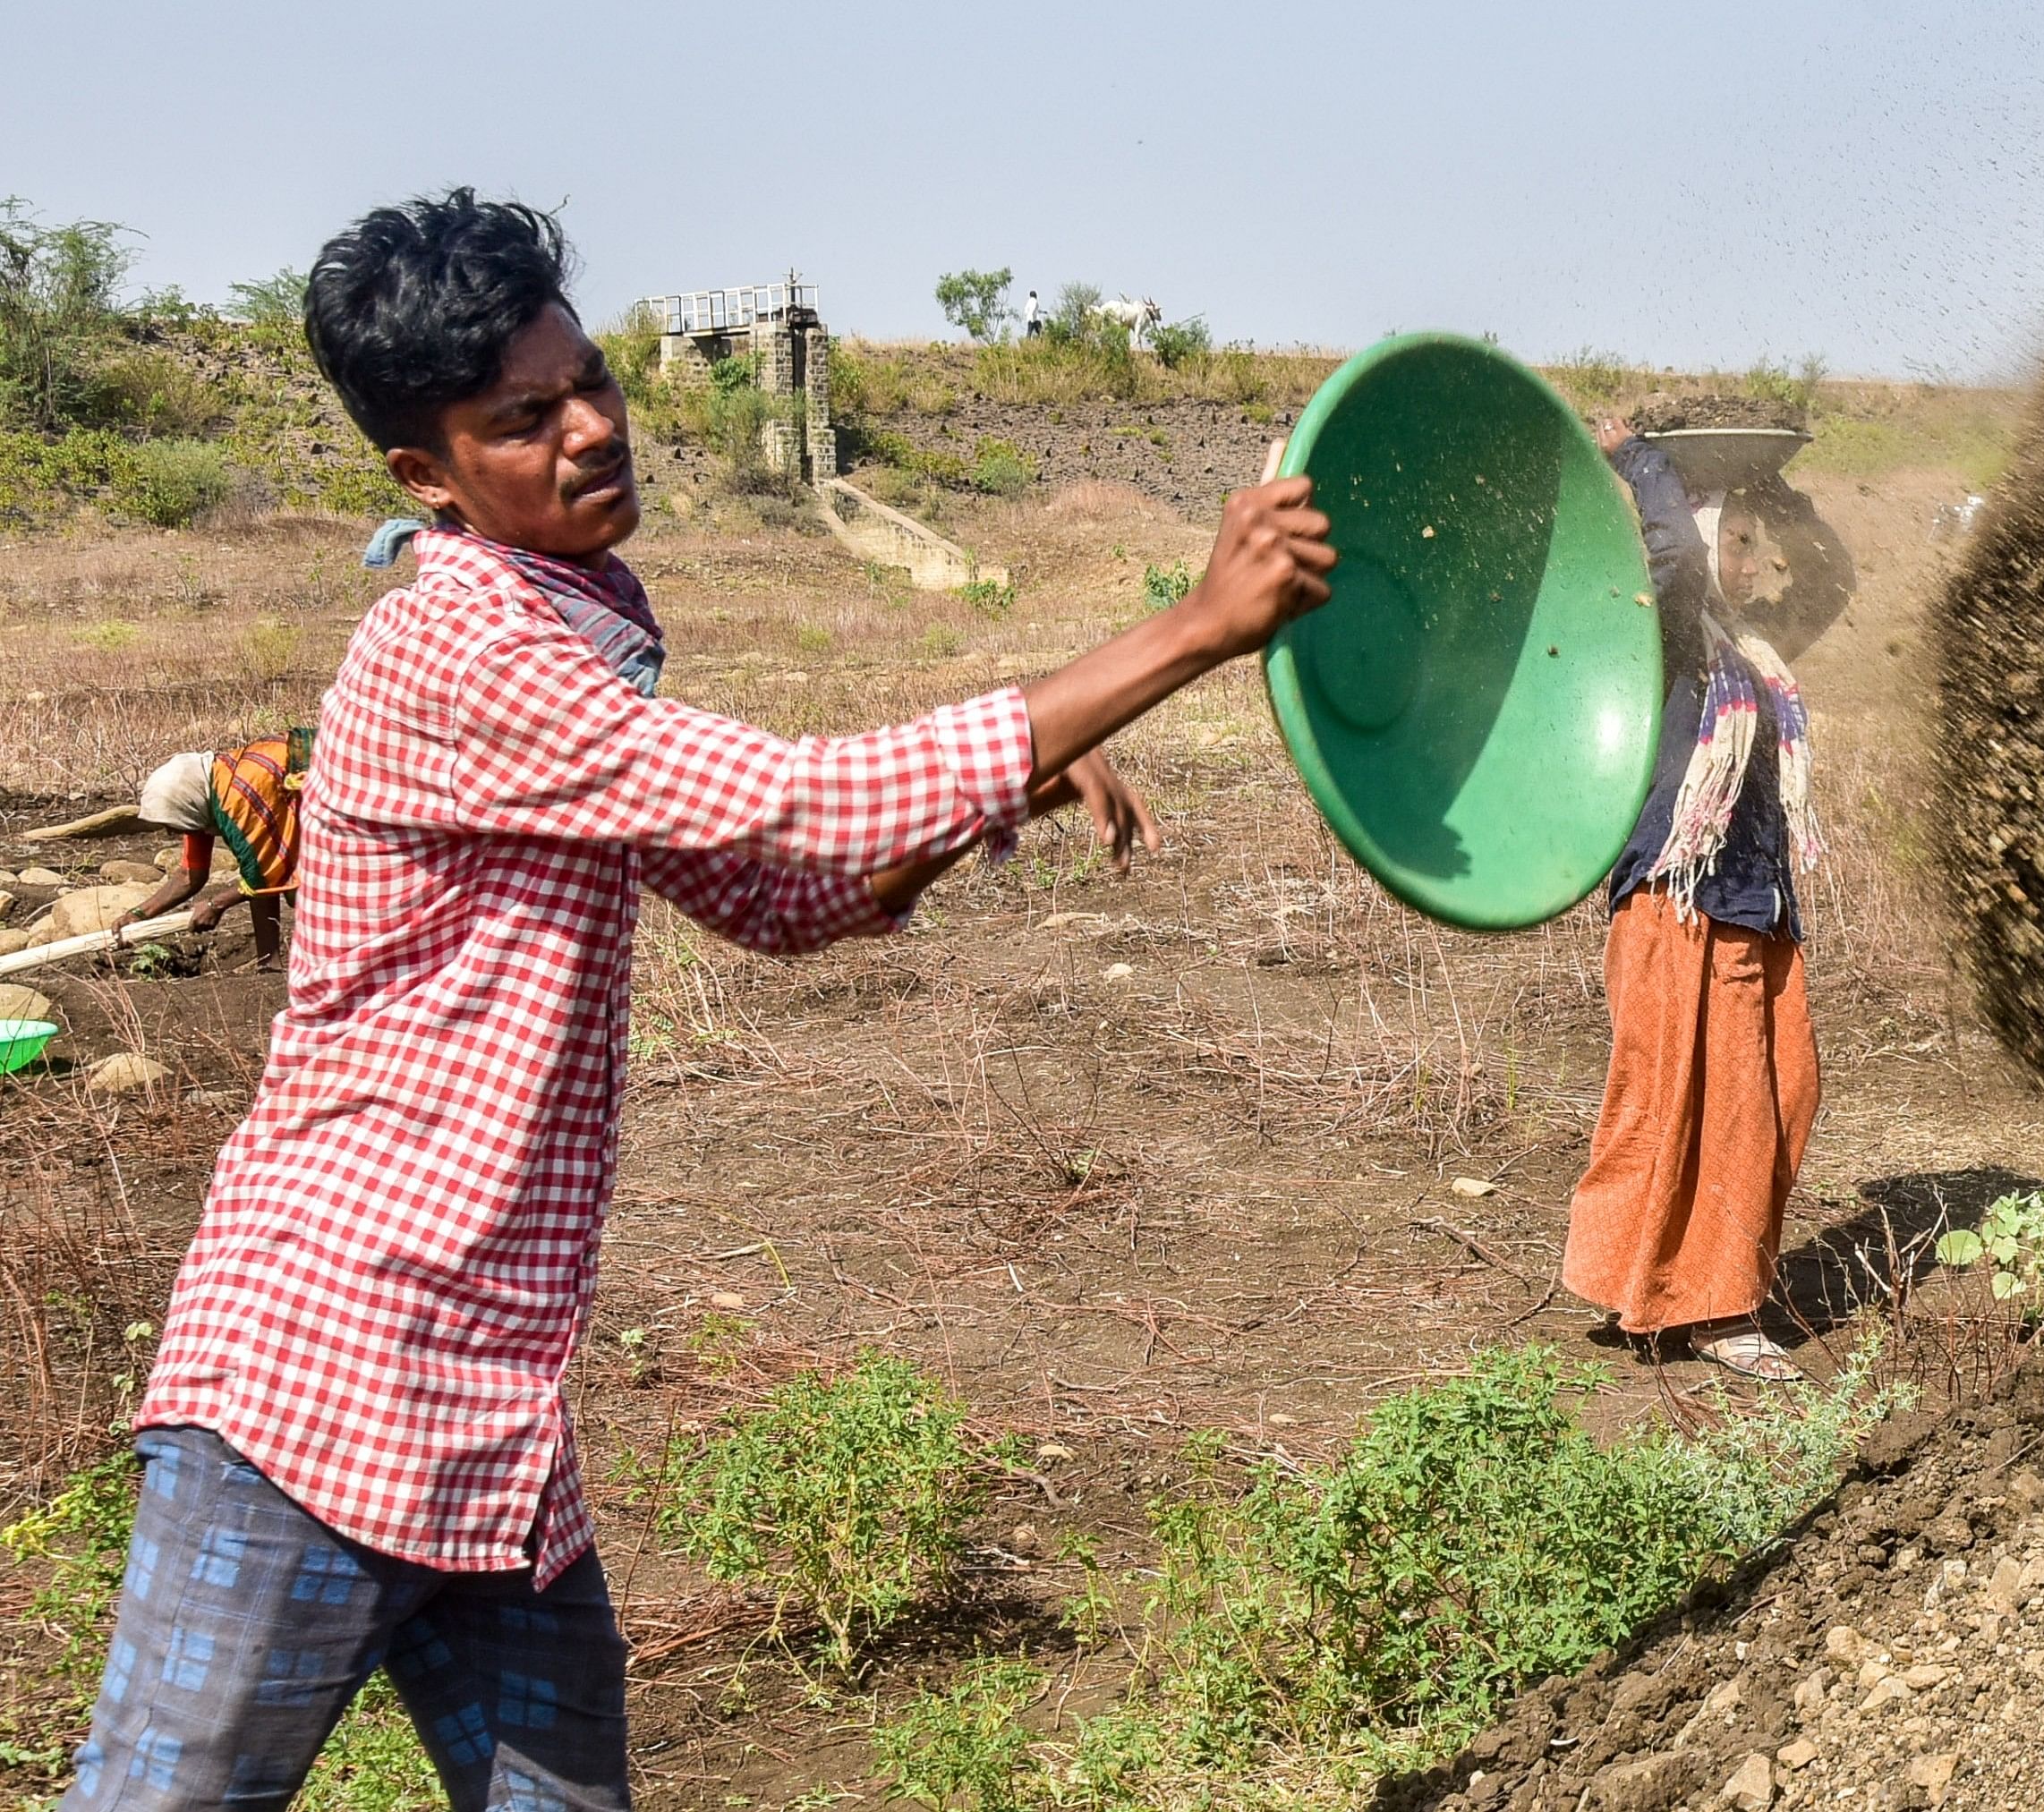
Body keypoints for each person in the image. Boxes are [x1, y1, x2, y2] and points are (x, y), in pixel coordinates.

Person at [57, 190, 1332, 1812]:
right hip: (315, 1396)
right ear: (424, 478)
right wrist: (1191, 631)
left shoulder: (578, 631)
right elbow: (793, 806)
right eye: (526, 418)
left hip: (490, 1420)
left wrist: (1005, 782)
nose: (593, 429)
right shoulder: (453, 642)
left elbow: (776, 900)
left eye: (592, 382)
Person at [1560, 416, 1824, 1382]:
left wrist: (1773, 484)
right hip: (1677, 901)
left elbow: (1834, 578)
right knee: (1689, 1101)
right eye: (1742, 541)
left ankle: (1680, 1285)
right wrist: (1640, 457)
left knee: (1781, 1093)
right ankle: (1712, 1310)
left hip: (1754, 901)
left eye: (1764, 543)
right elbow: (1669, 549)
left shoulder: (1756, 652)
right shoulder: (1663, 638)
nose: (1762, 560)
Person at [114, 729, 315, 958]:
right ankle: (269, 963)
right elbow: (190, 875)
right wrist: (138, 915)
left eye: (171, 823)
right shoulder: (207, 798)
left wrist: (215, 904)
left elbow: (265, 875)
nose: (170, 832)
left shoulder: (238, 797)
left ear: (188, 806)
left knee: (306, 891)